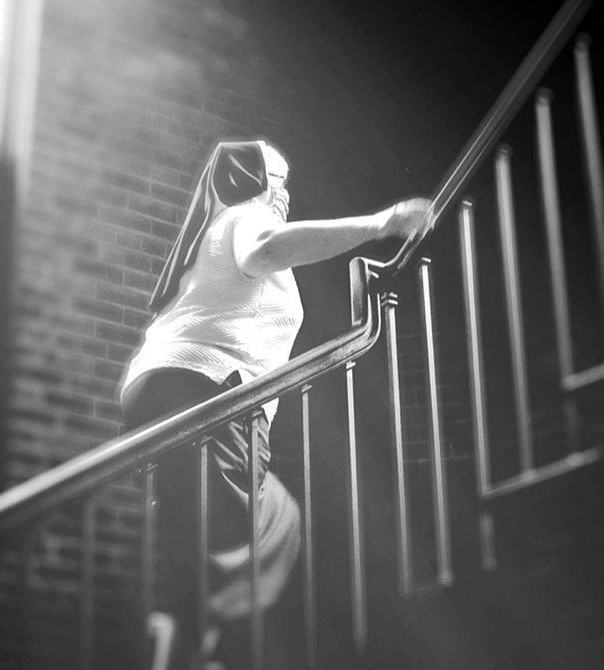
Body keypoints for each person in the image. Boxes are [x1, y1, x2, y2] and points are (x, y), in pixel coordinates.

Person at [120, 139, 432, 669]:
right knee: (265, 537)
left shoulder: (210, 240)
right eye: (278, 180)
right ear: (251, 181)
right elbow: (265, 249)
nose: (285, 194)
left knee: (220, 545)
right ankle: (209, 646)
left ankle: (190, 645)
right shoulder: (243, 218)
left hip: (166, 389)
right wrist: (381, 223)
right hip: (207, 391)